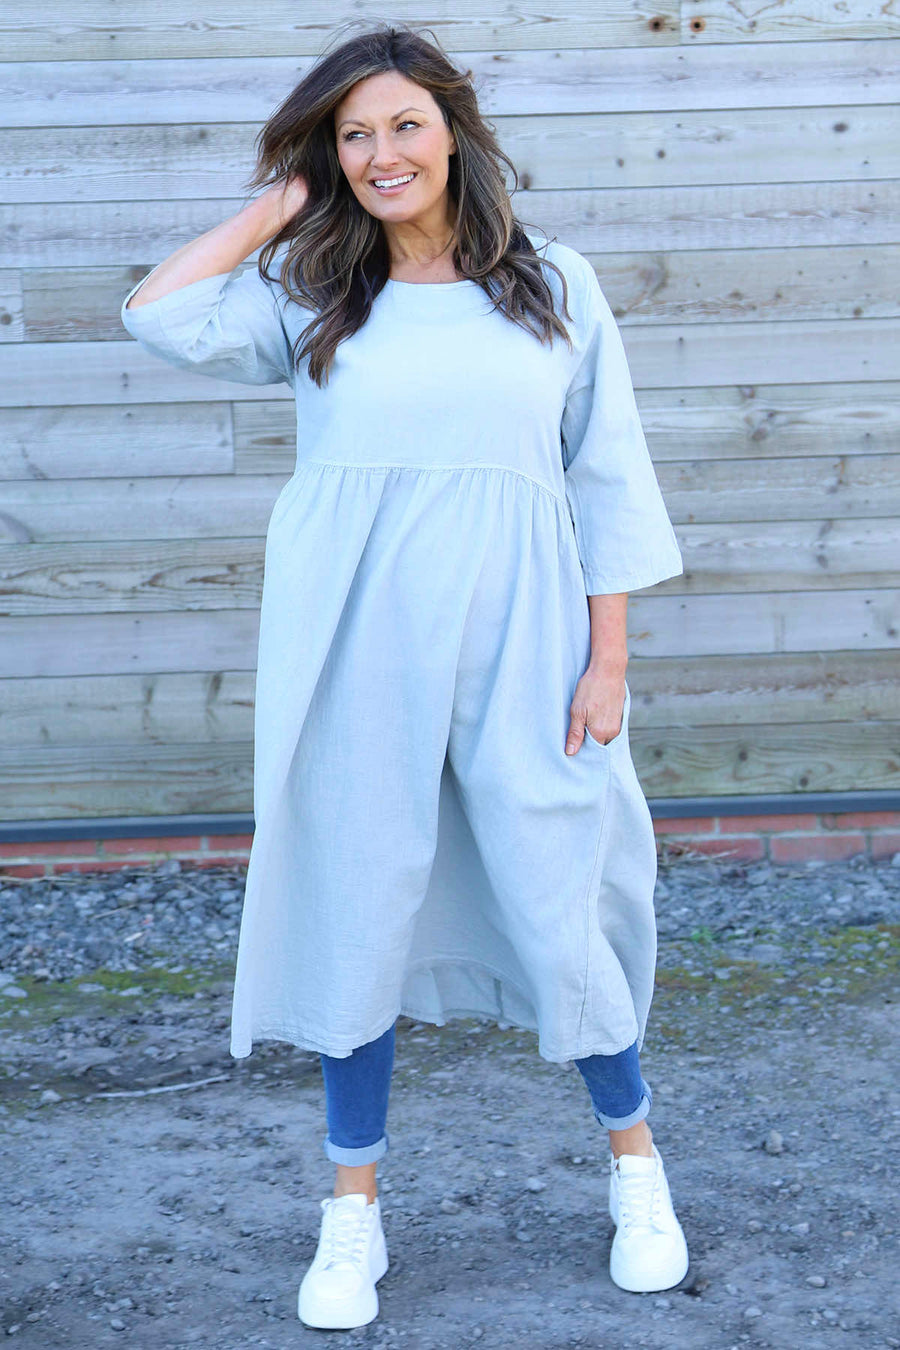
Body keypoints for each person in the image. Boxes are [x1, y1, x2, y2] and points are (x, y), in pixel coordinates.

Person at [120, 22, 689, 1331]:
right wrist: (281, 203)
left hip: (530, 637)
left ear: (454, 133)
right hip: (355, 643)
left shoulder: (554, 283)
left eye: (405, 125)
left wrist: (607, 659)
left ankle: (639, 1173)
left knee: (562, 892)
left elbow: (606, 475)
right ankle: (352, 1213)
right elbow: (155, 311)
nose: (384, 153)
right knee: (359, 897)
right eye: (354, 134)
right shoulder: (313, 292)